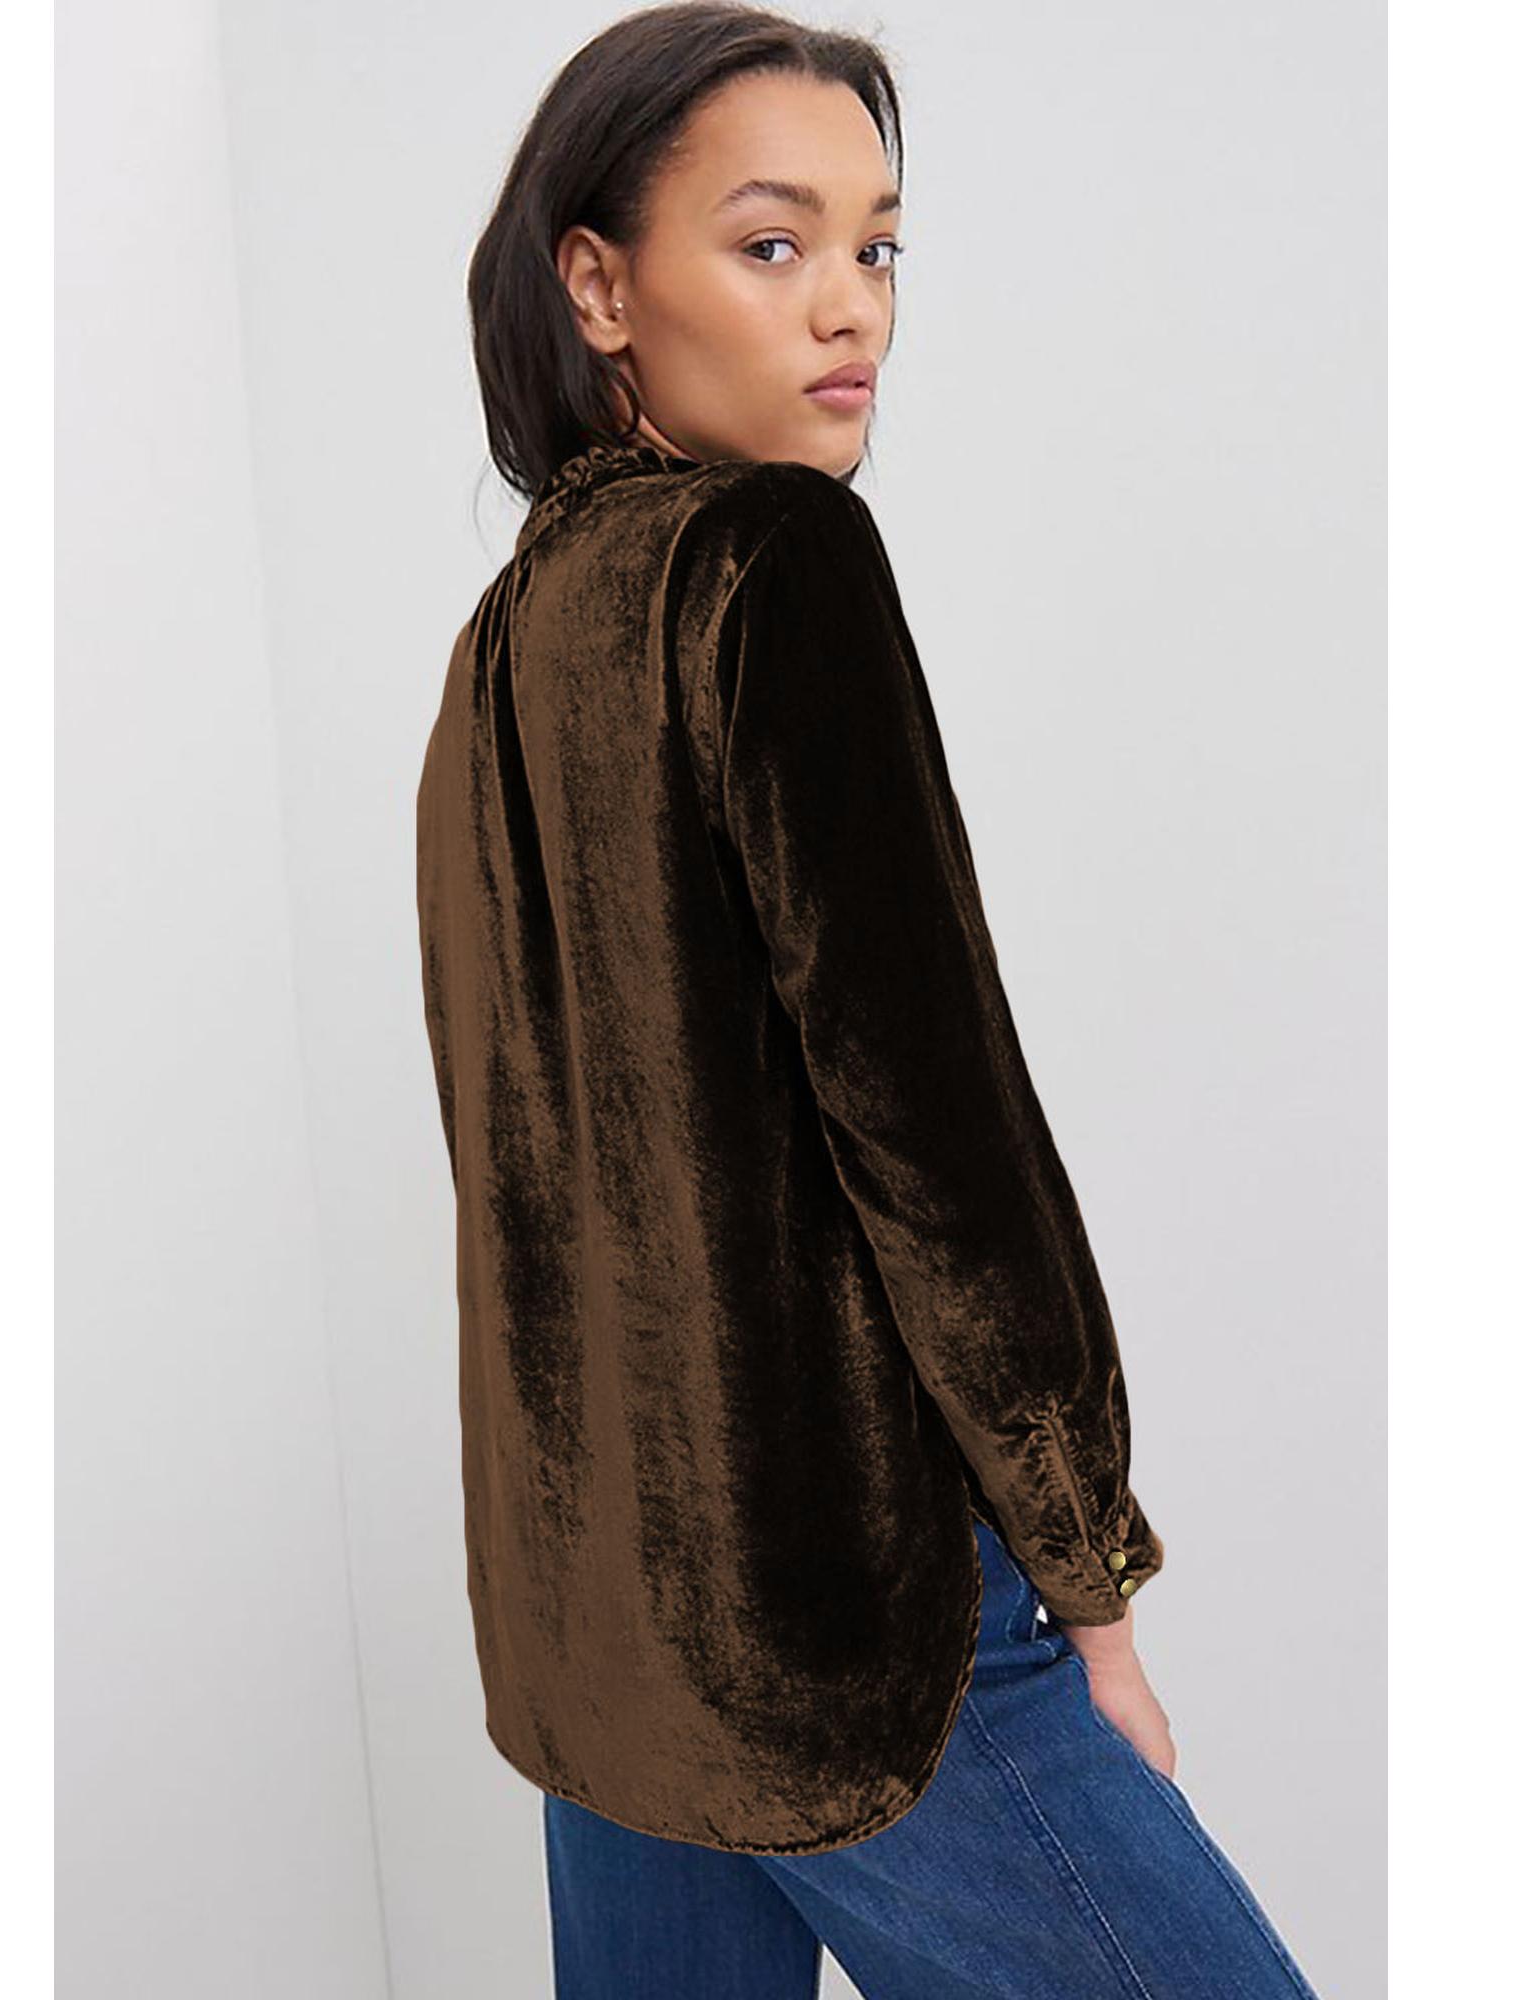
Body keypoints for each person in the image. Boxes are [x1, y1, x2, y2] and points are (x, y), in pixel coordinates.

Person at [417, 6, 1324, 1994]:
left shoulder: (502, 646)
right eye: (771, 243)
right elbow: (937, 1135)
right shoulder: (777, 560)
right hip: (847, 1625)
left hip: (603, 1630)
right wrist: (1085, 1577)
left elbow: (520, 1168)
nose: (849, 307)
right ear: (597, 287)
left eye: (877, 246)